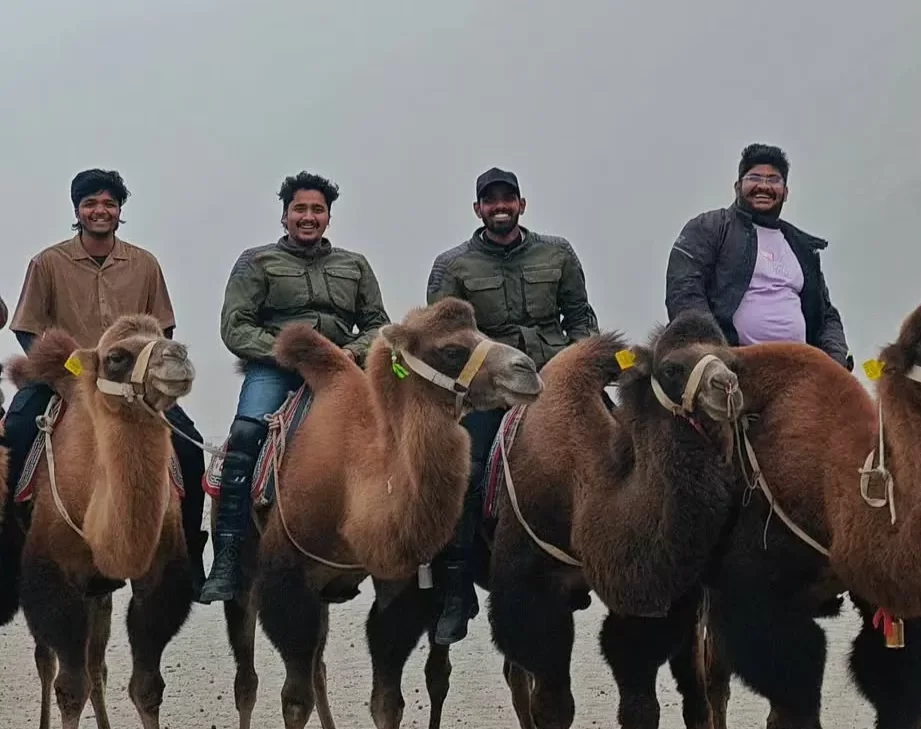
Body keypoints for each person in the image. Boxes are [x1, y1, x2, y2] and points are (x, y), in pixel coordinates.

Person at [1, 168, 208, 593]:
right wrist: (62, 375)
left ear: (120, 210)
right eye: (91, 203)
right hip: (66, 378)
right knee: (17, 432)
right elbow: (26, 328)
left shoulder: (145, 264)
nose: (100, 210)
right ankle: (10, 549)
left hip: (132, 386)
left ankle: (186, 555)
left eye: (109, 203)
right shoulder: (47, 263)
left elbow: (162, 331)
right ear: (77, 209)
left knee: (188, 445)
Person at [426, 166, 600, 645]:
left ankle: (624, 560)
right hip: (490, 386)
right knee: (465, 471)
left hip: (555, 379)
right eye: (490, 200)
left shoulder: (558, 253)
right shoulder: (453, 265)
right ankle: (456, 590)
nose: (500, 206)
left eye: (508, 199)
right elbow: (445, 336)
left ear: (522, 204)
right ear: (478, 209)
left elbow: (580, 315)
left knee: (619, 449)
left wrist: (580, 364)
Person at [202, 170, 391, 604]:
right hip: (277, 368)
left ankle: (405, 544)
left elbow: (378, 324)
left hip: (344, 369)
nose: (308, 217)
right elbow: (236, 327)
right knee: (245, 435)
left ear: (328, 217)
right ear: (285, 216)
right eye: (300, 209)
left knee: (395, 437)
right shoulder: (256, 261)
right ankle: (229, 556)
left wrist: (351, 350)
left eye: (317, 210)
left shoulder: (355, 265)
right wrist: (290, 353)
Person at [664, 143, 852, 369]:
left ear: (786, 192)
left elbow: (826, 316)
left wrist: (834, 365)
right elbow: (684, 291)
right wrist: (716, 354)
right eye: (754, 177)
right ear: (737, 186)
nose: (764, 186)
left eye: (774, 179)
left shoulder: (802, 248)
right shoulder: (709, 228)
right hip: (728, 369)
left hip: (799, 375)